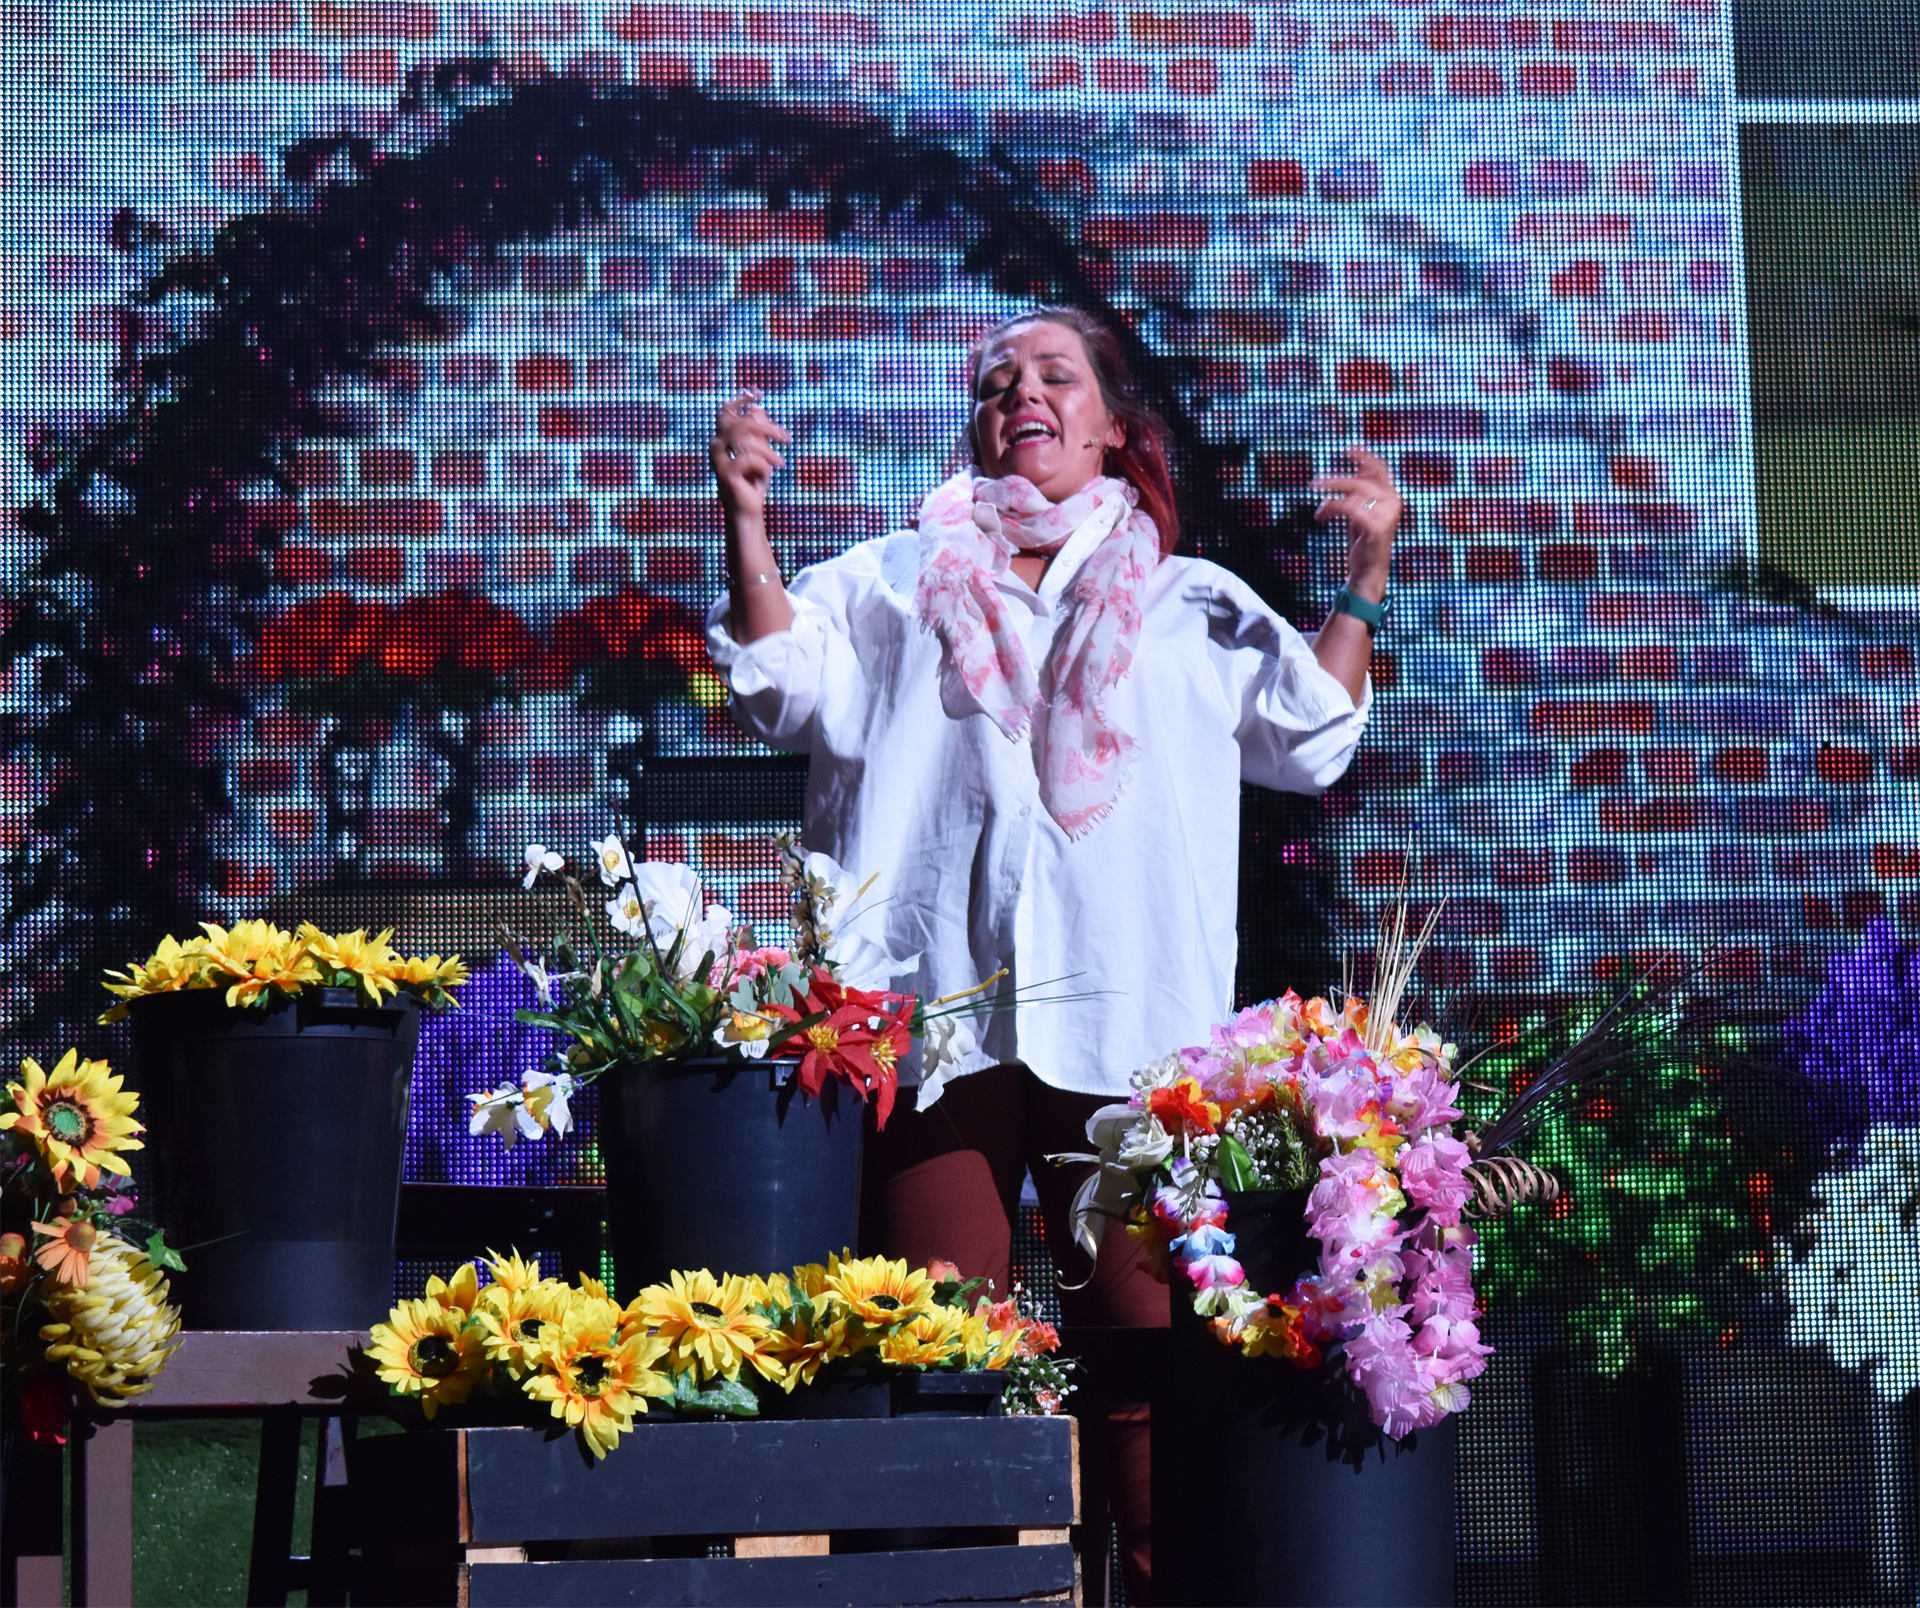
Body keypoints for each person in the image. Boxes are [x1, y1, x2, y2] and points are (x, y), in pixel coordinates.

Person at [703, 305, 1401, 1603]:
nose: (1021, 393)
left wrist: (1363, 580)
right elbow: (772, 685)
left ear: (1113, 426)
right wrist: (747, 522)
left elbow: (1310, 735)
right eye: (996, 382)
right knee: (941, 1365)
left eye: (1054, 375)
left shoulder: (1188, 602)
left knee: (1140, 1384)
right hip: (936, 1029)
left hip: (1128, 1041)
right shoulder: (894, 581)